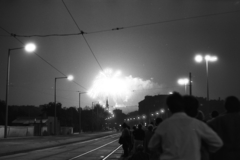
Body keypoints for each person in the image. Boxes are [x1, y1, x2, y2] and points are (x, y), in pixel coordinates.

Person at [148, 92, 223, 160]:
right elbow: (217, 143)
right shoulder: (197, 124)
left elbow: (151, 146)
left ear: (169, 109)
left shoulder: (164, 125)